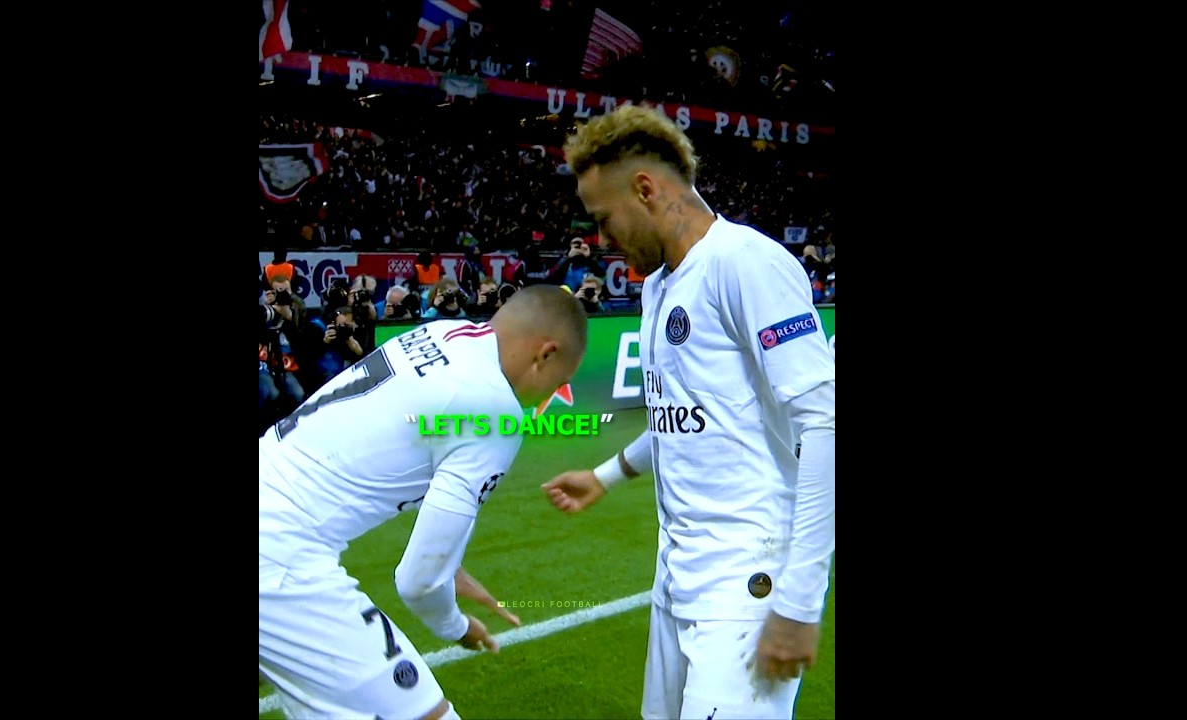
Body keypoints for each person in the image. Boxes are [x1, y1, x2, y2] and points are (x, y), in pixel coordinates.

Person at [540, 103, 836, 720]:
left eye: (603, 219)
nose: (600, 240)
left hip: (748, 582)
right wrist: (605, 475)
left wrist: (800, 600)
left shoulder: (745, 264)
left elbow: (825, 425)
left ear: (645, 189)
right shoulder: (657, 285)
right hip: (677, 578)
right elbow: (686, 416)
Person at [260, 285, 590, 720]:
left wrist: (448, 565)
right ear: (545, 354)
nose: (553, 393)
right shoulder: (496, 411)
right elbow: (418, 582)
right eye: (560, 382)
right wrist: (457, 626)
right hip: (280, 553)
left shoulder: (444, 333)